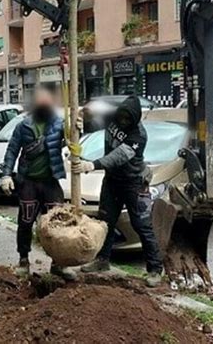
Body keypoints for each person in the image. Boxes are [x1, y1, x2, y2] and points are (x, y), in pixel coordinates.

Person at [72, 95, 163, 287]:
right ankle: (102, 260)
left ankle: (155, 269)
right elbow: (93, 123)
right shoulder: (112, 117)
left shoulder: (138, 136)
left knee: (142, 225)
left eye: (127, 120)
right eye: (121, 117)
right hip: (112, 181)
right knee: (105, 221)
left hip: (133, 183)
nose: (122, 122)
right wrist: (82, 124)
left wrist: (92, 165)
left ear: (135, 119)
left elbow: (118, 156)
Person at [0, 87, 73, 278]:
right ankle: (23, 259)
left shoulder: (59, 124)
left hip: (51, 181)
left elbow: (72, 142)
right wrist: (6, 175)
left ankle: (59, 263)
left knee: (57, 224)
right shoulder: (23, 126)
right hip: (29, 183)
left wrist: (77, 128)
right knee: (25, 222)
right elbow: (11, 151)